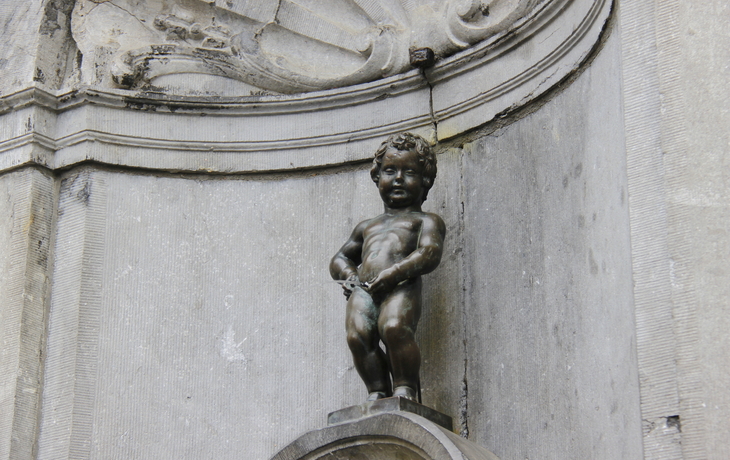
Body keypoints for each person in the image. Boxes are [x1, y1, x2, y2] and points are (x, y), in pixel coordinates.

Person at [330, 132, 446, 402]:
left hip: (401, 285)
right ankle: (377, 391)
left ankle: (405, 387)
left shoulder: (426, 220)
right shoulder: (367, 226)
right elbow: (339, 258)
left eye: (409, 172)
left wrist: (394, 274)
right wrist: (349, 277)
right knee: (357, 336)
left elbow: (430, 252)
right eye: (390, 170)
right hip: (364, 289)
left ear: (425, 180)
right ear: (376, 177)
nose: (398, 179)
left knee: (394, 328)